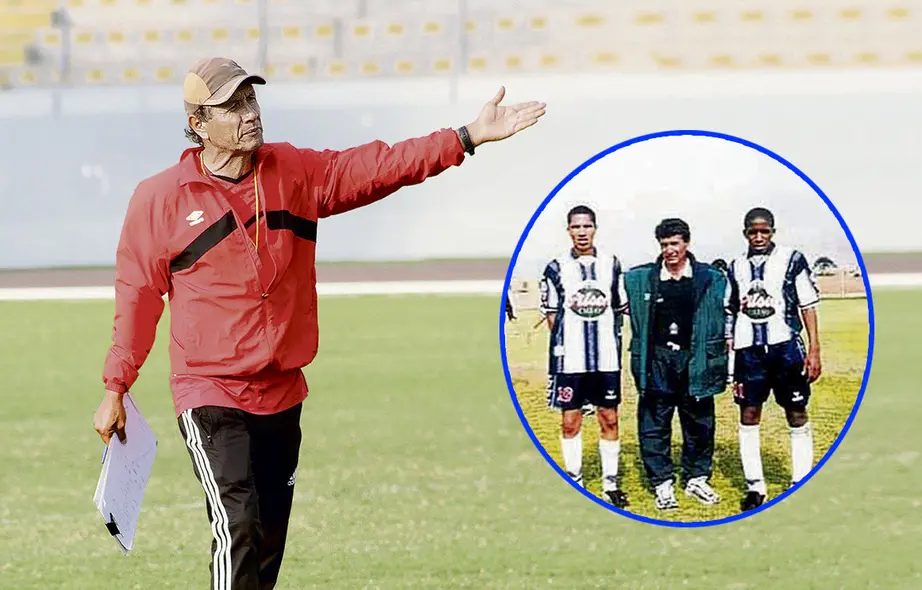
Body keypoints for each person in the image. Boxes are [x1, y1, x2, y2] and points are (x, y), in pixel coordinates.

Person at [92, 56, 545, 589]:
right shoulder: (159, 199)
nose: (249, 114)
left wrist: (465, 137)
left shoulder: (295, 171)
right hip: (209, 391)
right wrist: (116, 385)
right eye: (232, 106)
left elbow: (379, 166)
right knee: (236, 523)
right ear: (197, 124)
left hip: (283, 392)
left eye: (251, 100)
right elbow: (138, 297)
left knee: (268, 542)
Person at [623, 218, 727, 511]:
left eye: (675, 243)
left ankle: (697, 478)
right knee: (654, 422)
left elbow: (729, 312)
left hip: (696, 359)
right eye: (664, 244)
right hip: (657, 359)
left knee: (699, 422)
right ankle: (662, 484)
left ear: (686, 243)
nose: (670, 250)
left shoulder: (711, 277)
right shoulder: (639, 278)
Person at [725, 207, 822, 512]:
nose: (758, 236)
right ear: (745, 233)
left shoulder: (791, 259)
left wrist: (815, 349)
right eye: (752, 232)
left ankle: (801, 480)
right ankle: (756, 487)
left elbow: (807, 304)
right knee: (749, 414)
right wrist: (731, 349)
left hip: (785, 349)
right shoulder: (736, 266)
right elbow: (730, 310)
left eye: (764, 231)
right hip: (748, 352)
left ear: (773, 232)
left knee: (796, 410)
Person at [539, 205, 630, 509]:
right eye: (575, 227)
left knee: (609, 418)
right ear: (568, 230)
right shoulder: (555, 267)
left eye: (587, 226)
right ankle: (574, 479)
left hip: (606, 359)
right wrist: (568, 344)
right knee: (570, 421)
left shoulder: (611, 264)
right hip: (571, 361)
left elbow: (619, 308)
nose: (581, 232)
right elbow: (552, 315)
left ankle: (610, 485)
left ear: (595, 228)